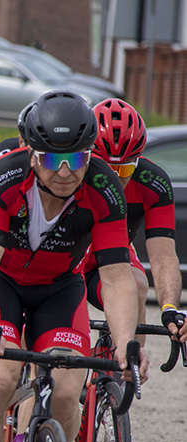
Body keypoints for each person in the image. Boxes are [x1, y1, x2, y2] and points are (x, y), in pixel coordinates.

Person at [0, 90, 150, 442]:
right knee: (0, 381)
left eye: (75, 160)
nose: (64, 172)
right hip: (1, 282)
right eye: (52, 159)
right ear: (31, 154)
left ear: (89, 156)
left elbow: (115, 277)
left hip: (60, 288)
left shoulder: (103, 187)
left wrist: (127, 343)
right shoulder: (4, 176)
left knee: (65, 391)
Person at [83, 98, 186, 344]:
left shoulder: (152, 183)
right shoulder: (71, 175)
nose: (115, 180)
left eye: (125, 170)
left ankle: (127, 372)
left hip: (112, 256)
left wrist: (169, 307)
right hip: (68, 257)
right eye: (105, 169)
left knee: (137, 285)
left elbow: (163, 257)